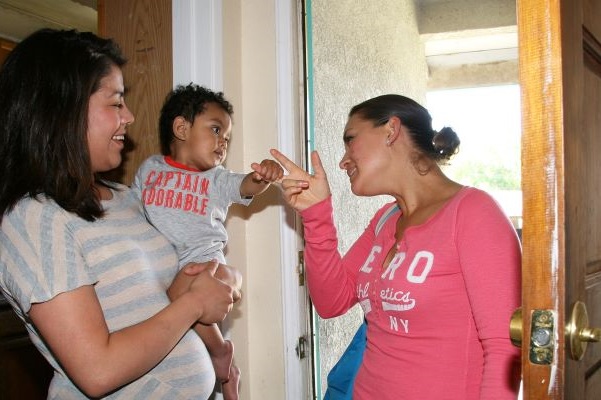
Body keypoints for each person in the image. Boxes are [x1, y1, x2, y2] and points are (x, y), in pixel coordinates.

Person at [0, 28, 241, 399]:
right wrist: (195, 304)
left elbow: (154, 298)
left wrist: (208, 281)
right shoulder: (33, 220)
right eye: (115, 103)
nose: (129, 117)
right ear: (62, 109)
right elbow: (98, 370)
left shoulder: (125, 197)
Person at [271, 94, 522, 399]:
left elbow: (504, 347)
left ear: (391, 129)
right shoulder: (385, 219)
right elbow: (331, 302)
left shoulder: (473, 213)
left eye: (351, 140)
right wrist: (316, 215)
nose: (343, 160)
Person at [131, 83, 284, 400]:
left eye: (227, 138)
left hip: (203, 263)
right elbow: (132, 211)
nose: (222, 143)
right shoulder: (150, 169)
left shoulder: (217, 178)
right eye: (215, 130)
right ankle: (222, 363)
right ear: (181, 127)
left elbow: (246, 185)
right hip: (161, 268)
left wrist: (262, 177)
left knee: (188, 296)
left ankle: (219, 352)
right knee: (169, 324)